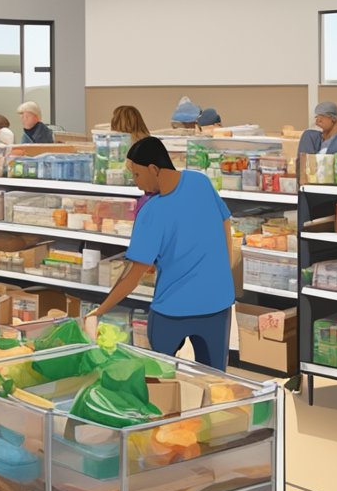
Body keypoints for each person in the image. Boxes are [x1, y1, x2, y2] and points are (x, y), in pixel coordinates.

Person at [85, 137, 235, 370]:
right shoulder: (200, 182)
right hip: (218, 303)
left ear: (153, 169)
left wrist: (100, 310)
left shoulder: (152, 212)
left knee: (161, 377)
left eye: (136, 175)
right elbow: (226, 223)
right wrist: (224, 268)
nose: (136, 183)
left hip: (173, 309)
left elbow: (133, 275)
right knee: (215, 378)